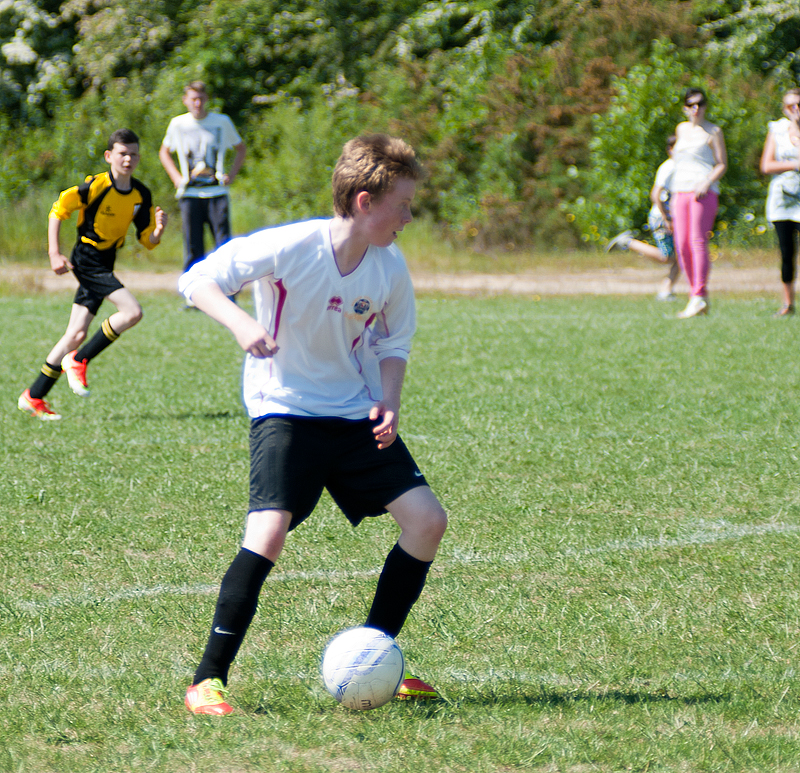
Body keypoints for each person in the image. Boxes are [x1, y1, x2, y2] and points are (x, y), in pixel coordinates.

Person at [179, 134, 449, 716]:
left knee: (427, 521)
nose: (409, 217)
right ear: (364, 202)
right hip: (285, 409)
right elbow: (197, 280)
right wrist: (240, 325)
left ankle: (375, 655)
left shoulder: (389, 265)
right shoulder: (292, 245)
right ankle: (207, 680)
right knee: (269, 531)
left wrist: (390, 401)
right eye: (402, 205)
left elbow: (394, 340)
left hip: (354, 415)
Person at [17, 129, 167, 420]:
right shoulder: (95, 186)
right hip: (87, 258)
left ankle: (33, 396)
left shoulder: (141, 194)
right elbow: (58, 209)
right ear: (109, 156)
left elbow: (147, 240)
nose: (128, 159)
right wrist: (54, 252)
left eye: (133, 154)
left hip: (107, 259)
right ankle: (80, 359)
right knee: (132, 312)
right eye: (122, 153)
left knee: (75, 333)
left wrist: (158, 230)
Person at [159, 81, 246, 273]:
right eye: (193, 99)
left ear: (207, 99)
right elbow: (164, 152)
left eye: (201, 99)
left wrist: (231, 175)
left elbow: (240, 148)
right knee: (192, 247)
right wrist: (176, 177)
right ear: (185, 100)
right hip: (190, 194)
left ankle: (226, 286)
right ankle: (193, 288)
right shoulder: (178, 124)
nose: (197, 103)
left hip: (217, 192)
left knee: (223, 246)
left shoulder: (221, 122)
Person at [670, 87, 727, 318]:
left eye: (700, 104)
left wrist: (707, 181)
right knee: (682, 245)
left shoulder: (713, 131)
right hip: (680, 190)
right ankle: (695, 296)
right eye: (691, 104)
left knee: (697, 241)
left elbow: (722, 164)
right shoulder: (681, 129)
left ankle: (699, 295)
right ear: (685, 108)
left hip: (702, 192)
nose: (696, 109)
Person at [606, 135, 680, 300]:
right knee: (666, 257)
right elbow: (655, 194)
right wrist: (666, 217)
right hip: (662, 218)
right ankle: (628, 242)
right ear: (670, 150)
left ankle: (666, 291)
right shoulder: (669, 167)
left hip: (673, 217)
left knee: (683, 256)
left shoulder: (681, 167)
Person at [760, 88, 800, 316]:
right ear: (784, 109)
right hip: (783, 201)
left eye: (799, 104)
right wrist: (794, 165)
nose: (796, 109)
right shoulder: (777, 130)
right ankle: (788, 303)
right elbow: (767, 165)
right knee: (787, 254)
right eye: (790, 105)